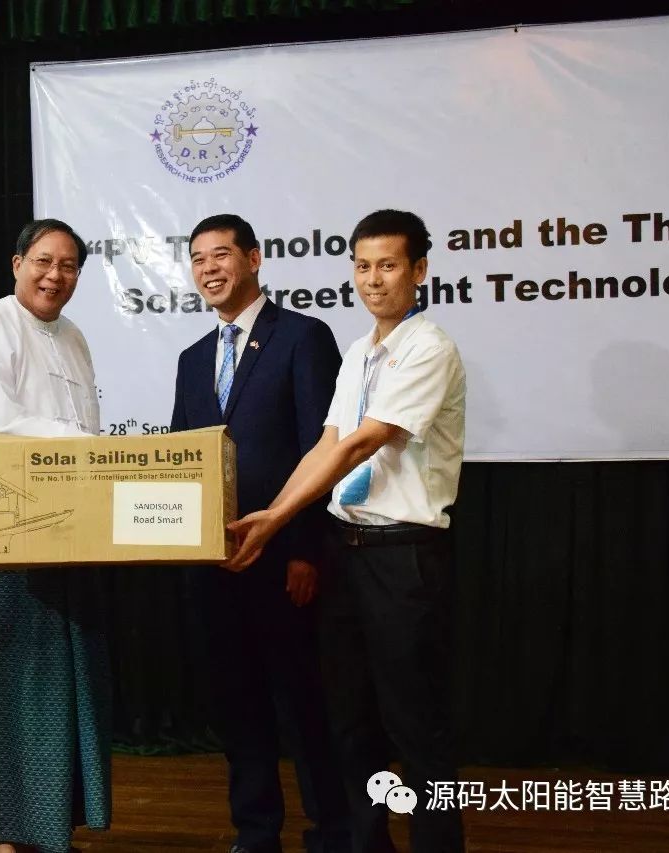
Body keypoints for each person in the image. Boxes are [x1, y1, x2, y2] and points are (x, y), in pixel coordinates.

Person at [228, 209, 466, 853]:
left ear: (419, 270)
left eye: (388, 265)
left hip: (404, 556)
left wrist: (276, 517)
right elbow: (327, 443)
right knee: (351, 723)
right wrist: (274, 515)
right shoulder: (359, 352)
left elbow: (364, 442)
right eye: (362, 266)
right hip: (346, 552)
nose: (373, 280)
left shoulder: (429, 347)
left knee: (416, 726)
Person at [170, 213, 351, 853]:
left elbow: (320, 452)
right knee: (238, 705)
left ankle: (332, 830)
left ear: (254, 258)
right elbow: (182, 460)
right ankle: (255, 831)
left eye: (221, 255)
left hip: (282, 560)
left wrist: (305, 552)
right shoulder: (193, 359)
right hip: (215, 564)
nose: (208, 269)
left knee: (304, 703)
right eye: (198, 259)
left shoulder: (303, 337)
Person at [0, 219, 111, 853]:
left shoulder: (74, 336)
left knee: (70, 680)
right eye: (44, 261)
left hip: (75, 531)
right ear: (17, 263)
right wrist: (85, 446)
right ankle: (7, 833)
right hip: (12, 530)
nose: (55, 276)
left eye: (69, 266)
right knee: (18, 684)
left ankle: (52, 827)